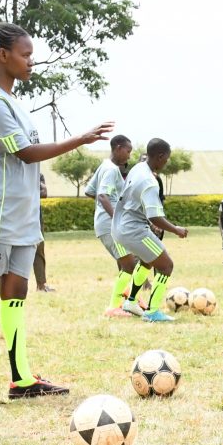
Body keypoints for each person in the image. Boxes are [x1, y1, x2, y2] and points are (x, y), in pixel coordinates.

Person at [0, 22, 113, 405]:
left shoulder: (13, 102)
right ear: (2, 55)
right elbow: (23, 152)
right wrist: (81, 139)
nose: (31, 62)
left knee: (16, 292)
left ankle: (21, 378)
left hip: (21, 218)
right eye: (25, 55)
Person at [112, 138, 189, 322]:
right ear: (160, 156)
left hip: (119, 226)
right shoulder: (150, 182)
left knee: (148, 261)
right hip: (134, 230)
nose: (167, 162)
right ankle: (152, 312)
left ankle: (131, 301)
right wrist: (176, 229)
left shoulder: (138, 168)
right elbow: (155, 217)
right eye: (167, 159)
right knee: (166, 265)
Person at [85, 134, 135, 318]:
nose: (129, 156)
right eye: (128, 151)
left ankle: (129, 300)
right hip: (110, 226)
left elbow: (90, 191)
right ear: (118, 148)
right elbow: (102, 196)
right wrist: (116, 219)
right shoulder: (112, 169)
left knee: (126, 262)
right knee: (130, 264)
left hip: (104, 224)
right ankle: (114, 307)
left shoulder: (104, 165)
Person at [32, 173, 55, 292]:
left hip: (35, 216)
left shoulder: (38, 175)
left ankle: (41, 285)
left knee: (39, 249)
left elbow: (44, 193)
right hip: (16, 215)